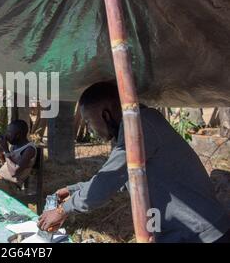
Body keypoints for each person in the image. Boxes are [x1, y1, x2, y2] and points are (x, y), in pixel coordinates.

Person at [38, 82, 230, 243]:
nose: (89, 129)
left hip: (203, 233)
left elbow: (106, 183)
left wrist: (64, 209)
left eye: (88, 121)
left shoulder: (141, 127)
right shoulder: (138, 125)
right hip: (187, 231)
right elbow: (121, 180)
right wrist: (73, 190)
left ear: (105, 114)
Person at [0, 119, 37, 194]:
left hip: (10, 185)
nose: (7, 135)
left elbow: (14, 172)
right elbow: (7, 165)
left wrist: (6, 151)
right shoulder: (14, 146)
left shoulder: (29, 149)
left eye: (9, 133)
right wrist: (2, 149)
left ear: (18, 135)